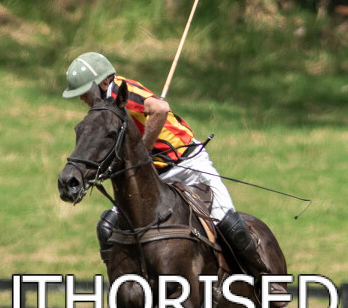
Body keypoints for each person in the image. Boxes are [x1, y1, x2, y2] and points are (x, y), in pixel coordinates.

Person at [62, 51, 273, 277]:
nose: (82, 99)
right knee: (107, 228)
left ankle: (265, 280)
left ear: (103, 82)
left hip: (187, 163)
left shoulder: (124, 92)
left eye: (84, 92)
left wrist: (142, 151)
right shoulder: (102, 107)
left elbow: (160, 109)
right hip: (153, 175)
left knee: (232, 227)